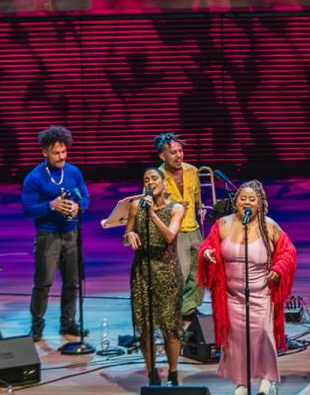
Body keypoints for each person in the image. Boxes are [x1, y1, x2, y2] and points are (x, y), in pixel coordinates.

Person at [198, 181, 298, 395]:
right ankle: (241, 383)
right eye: (243, 198)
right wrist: (206, 253)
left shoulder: (269, 226)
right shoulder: (223, 224)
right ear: (236, 202)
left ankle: (267, 379)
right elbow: (207, 244)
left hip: (261, 293)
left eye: (252, 199)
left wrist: (279, 268)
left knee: (263, 335)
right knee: (236, 341)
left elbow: (288, 252)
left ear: (260, 204)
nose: (247, 203)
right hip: (231, 296)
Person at [20, 125, 90, 342]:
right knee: (44, 283)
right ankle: (37, 325)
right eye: (56, 153)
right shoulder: (34, 178)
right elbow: (28, 209)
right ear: (45, 152)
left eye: (64, 152)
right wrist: (50, 205)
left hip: (71, 233)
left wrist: (79, 207)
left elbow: (86, 198)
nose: (62, 156)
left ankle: (68, 323)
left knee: (72, 281)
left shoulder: (73, 172)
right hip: (47, 235)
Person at [126, 168, 186, 386]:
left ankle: (172, 371)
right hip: (142, 272)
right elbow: (127, 237)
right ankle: (151, 372)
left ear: (164, 183)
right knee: (145, 327)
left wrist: (152, 214)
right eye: (146, 180)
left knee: (170, 327)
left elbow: (170, 236)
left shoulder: (176, 208)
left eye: (154, 178)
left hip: (168, 273)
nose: (150, 182)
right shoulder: (135, 206)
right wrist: (129, 234)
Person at [155, 133, 205, 327]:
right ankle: (170, 313)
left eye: (180, 151)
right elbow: (152, 208)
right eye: (173, 152)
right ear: (162, 156)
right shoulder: (156, 177)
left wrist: (200, 207)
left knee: (200, 273)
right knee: (179, 276)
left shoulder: (192, 171)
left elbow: (197, 198)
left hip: (194, 229)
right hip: (174, 232)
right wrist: (173, 207)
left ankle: (188, 310)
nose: (179, 156)